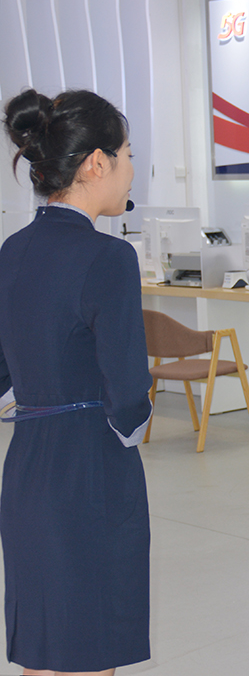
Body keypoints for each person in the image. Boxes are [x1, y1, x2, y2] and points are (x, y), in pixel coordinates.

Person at [0, 89, 152, 674]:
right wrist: (128, 430)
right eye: (128, 155)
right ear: (95, 163)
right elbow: (128, 392)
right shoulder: (108, 257)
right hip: (90, 469)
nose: (132, 169)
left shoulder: (13, 250)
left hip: (26, 468)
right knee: (90, 647)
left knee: (42, 646)